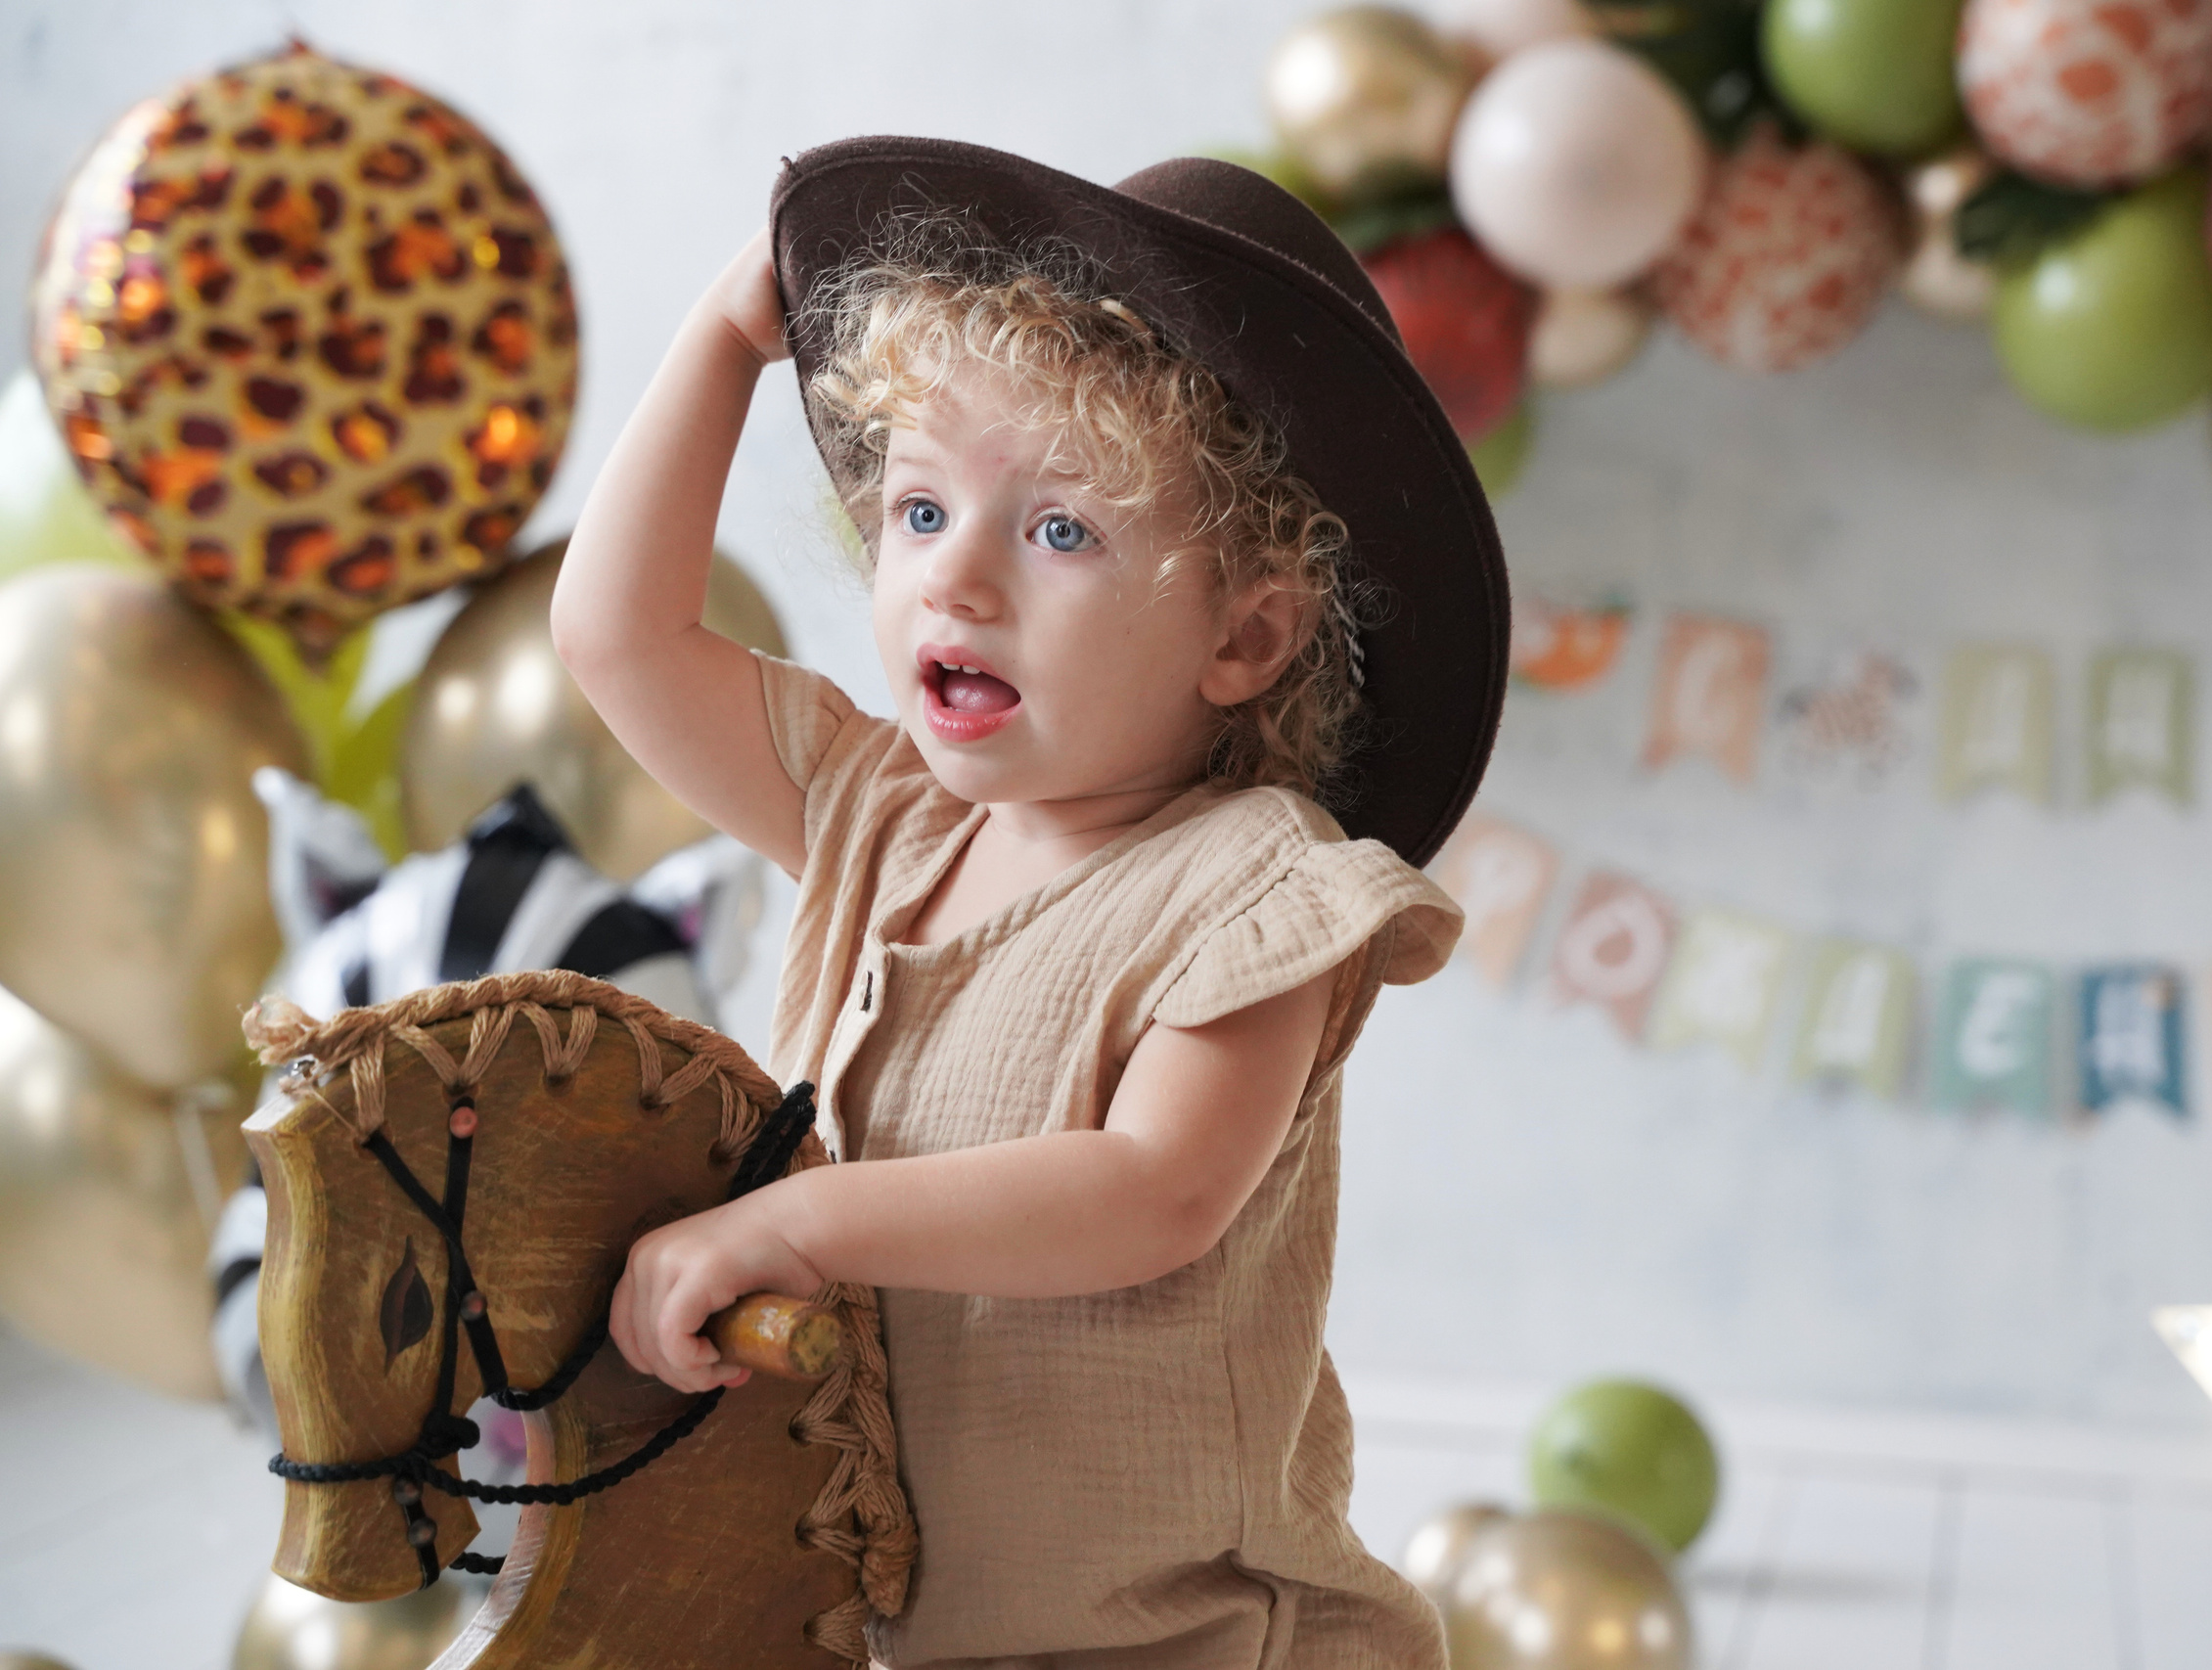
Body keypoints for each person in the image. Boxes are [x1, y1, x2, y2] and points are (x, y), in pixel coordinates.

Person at [549, 136, 1509, 1669]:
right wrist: (724, 340)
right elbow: (617, 635)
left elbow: (1154, 1191)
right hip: (911, 1627)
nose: (958, 581)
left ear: (1244, 639)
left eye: (1061, 529)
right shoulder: (880, 819)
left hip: (1188, 1638)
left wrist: (800, 1221)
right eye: (920, 512)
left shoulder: (1257, 887)